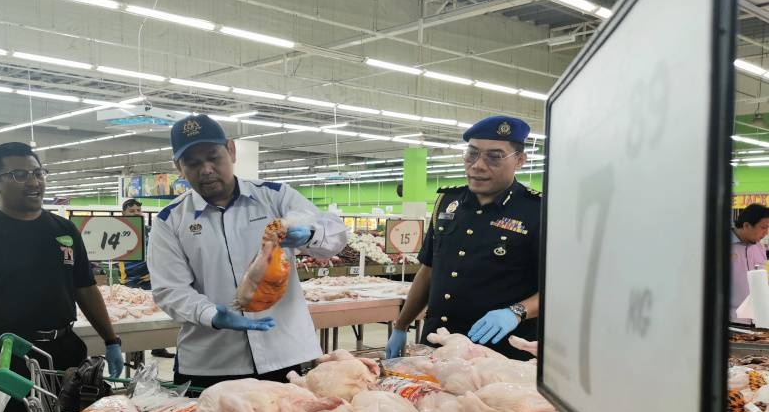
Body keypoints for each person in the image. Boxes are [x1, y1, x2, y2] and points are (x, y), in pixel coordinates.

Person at [0, 142, 124, 412]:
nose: (34, 182)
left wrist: (111, 339)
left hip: (63, 352)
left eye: (38, 172)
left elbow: (84, 287)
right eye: (18, 174)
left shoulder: (63, 230)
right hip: (4, 357)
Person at [148, 114, 348, 389]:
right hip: (211, 363)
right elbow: (169, 289)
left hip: (286, 356)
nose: (205, 169)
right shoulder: (169, 220)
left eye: (213, 157)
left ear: (231, 150)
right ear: (178, 167)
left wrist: (311, 233)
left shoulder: (275, 196)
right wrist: (211, 315)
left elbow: (335, 237)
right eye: (193, 163)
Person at [387, 115, 541, 361]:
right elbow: (428, 270)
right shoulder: (448, 203)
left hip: (498, 355)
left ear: (520, 160)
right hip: (437, 345)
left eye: (494, 156)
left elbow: (559, 291)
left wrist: (516, 312)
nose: (478, 165)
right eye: (472, 153)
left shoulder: (537, 211)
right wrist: (401, 325)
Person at [120, 198, 175, 358]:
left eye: (138, 210)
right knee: (133, 319)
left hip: (151, 279)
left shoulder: (149, 231)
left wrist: (155, 271)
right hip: (130, 281)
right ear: (124, 213)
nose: (136, 213)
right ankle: (135, 353)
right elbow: (124, 261)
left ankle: (158, 346)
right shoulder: (118, 231)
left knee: (156, 313)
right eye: (132, 211)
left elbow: (160, 253)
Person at [730, 203, 769, 324]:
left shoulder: (759, 248)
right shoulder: (720, 245)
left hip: (758, 322)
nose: (766, 233)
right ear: (746, 225)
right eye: (763, 227)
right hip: (731, 322)